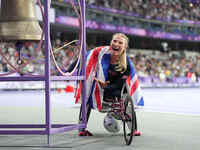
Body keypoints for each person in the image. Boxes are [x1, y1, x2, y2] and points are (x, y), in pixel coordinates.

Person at [70, 33, 144, 136]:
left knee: (127, 97)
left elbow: (122, 83)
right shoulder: (101, 52)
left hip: (116, 91)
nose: (116, 44)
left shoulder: (126, 62)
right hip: (100, 89)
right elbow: (85, 58)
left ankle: (134, 129)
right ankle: (82, 129)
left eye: (120, 43)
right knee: (87, 95)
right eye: (114, 41)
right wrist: (68, 71)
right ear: (111, 42)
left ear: (125, 47)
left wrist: (107, 87)